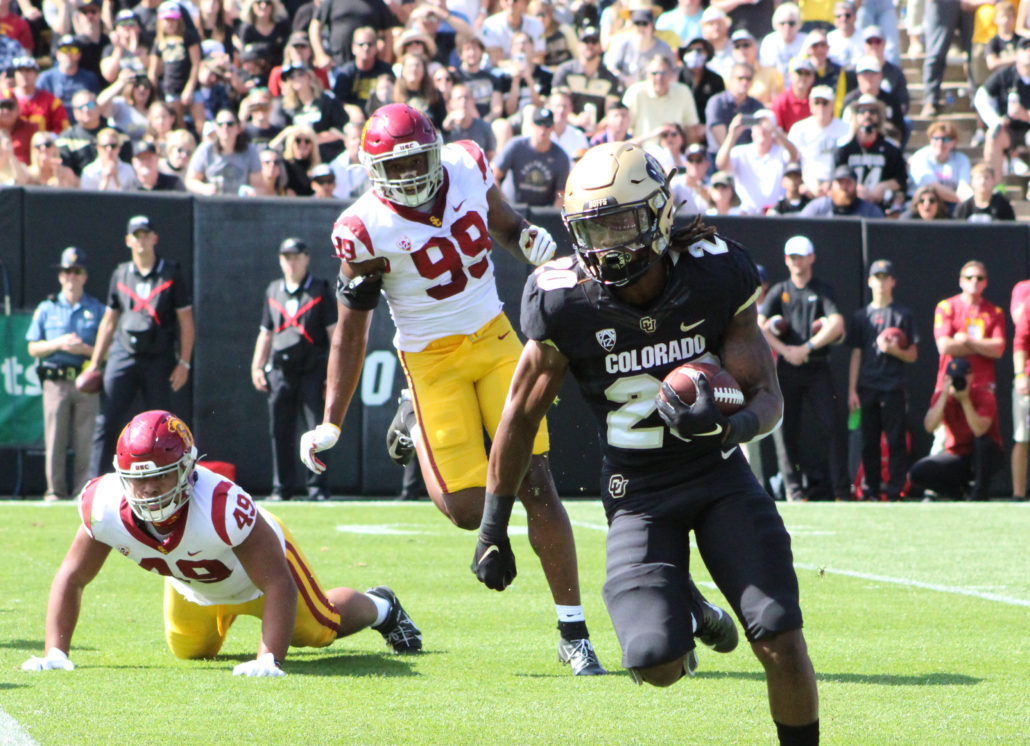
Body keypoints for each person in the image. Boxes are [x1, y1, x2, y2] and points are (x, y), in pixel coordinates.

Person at [473, 141, 819, 745]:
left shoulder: (714, 273)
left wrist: (730, 427)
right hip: (636, 494)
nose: (606, 243)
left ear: (659, 213)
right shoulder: (562, 298)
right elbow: (520, 415)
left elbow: (767, 395)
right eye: (592, 228)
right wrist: (492, 525)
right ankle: (685, 607)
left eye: (619, 223)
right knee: (654, 662)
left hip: (718, 478)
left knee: (779, 636)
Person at [300, 103, 605, 676]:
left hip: (494, 337)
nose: (413, 174)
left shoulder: (466, 162)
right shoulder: (362, 227)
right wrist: (332, 419)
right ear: (373, 169)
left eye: (420, 159)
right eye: (400, 165)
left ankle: (574, 632)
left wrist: (529, 242)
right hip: (430, 361)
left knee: (536, 481)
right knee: (470, 512)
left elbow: (505, 223)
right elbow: (352, 331)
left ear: (437, 150)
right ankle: (413, 421)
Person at [21, 410, 420, 676]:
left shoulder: (222, 508)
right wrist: (57, 651)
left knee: (319, 630)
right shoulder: (103, 505)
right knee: (191, 652)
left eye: (160, 476)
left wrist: (269, 657)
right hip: (193, 585)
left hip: (259, 576)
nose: (148, 490)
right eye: (138, 479)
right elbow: (72, 577)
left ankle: (383, 607)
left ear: (186, 469)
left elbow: (278, 582)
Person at [85, 215, 195, 479]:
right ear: (128, 240)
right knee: (107, 420)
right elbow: (109, 322)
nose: (141, 240)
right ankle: (94, 483)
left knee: (161, 426)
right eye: (136, 235)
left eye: (146, 234)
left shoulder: (171, 273)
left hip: (159, 358)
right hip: (123, 354)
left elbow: (186, 322)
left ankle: (167, 481)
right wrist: (95, 363)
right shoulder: (120, 273)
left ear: (155, 238)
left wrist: (184, 362)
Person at [759, 235, 850, 502]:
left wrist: (807, 347)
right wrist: (786, 350)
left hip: (817, 366)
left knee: (832, 428)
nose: (796, 262)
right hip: (788, 370)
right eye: (791, 257)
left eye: (801, 256)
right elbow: (760, 326)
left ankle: (842, 493)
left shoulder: (822, 290)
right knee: (786, 431)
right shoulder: (779, 291)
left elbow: (836, 324)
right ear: (786, 260)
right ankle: (794, 492)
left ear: (812, 258)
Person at [251, 238, 335, 501]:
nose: (291, 262)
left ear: (306, 258)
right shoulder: (274, 289)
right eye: (286, 256)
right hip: (280, 372)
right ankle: (282, 488)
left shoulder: (319, 289)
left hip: (312, 371)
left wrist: (332, 378)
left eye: (296, 256)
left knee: (316, 432)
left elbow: (335, 336)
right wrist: (257, 366)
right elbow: (266, 332)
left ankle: (317, 488)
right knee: (280, 431)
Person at [25, 248, 104, 502]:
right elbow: (32, 346)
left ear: (84, 275)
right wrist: (58, 343)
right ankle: (55, 491)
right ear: (61, 276)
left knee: (85, 441)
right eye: (67, 271)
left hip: (85, 381)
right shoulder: (47, 308)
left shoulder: (97, 309)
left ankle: (83, 492)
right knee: (55, 439)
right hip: (56, 381)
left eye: (77, 271)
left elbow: (109, 350)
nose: (72, 276)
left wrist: (85, 350)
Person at [846, 260, 919, 501]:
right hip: (867, 387)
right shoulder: (861, 317)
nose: (881, 281)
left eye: (886, 276)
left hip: (893, 387)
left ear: (893, 281)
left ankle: (896, 488)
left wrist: (892, 350)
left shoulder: (902, 315)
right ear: (869, 281)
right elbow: (856, 353)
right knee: (869, 442)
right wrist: (852, 390)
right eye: (877, 277)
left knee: (897, 440)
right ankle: (871, 489)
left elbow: (912, 355)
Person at [909, 359, 1004, 500]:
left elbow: (979, 431)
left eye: (962, 377)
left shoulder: (983, 396)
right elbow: (929, 426)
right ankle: (960, 494)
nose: (958, 381)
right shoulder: (942, 398)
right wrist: (944, 395)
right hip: (958, 455)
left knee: (982, 444)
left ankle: (979, 494)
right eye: (953, 378)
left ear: (971, 377)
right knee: (917, 472)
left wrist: (965, 401)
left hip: (986, 455)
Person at [933, 260, 1005, 396]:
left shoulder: (995, 312)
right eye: (969, 277)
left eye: (979, 278)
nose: (974, 281)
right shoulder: (946, 307)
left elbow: (998, 349)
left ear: (985, 283)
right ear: (961, 281)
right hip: (951, 382)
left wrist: (967, 340)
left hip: (983, 385)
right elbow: (944, 347)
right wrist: (984, 347)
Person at [715, 107, 800, 214]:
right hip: (746, 213)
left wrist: (776, 132)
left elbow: (794, 155)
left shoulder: (780, 152)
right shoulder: (741, 152)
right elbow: (721, 165)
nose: (761, 129)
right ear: (751, 130)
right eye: (757, 124)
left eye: (765, 126)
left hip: (775, 213)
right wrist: (732, 135)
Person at [833, 95, 907, 215]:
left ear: (879, 116)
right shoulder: (844, 147)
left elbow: (901, 180)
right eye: (862, 112)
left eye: (872, 111)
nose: (867, 115)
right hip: (851, 205)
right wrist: (855, 188)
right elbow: (836, 177)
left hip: (881, 207)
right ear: (855, 116)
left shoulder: (890, 148)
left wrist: (882, 187)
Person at [493, 106, 570, 207]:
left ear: (552, 127)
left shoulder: (561, 157)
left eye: (547, 125)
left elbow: (561, 195)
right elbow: (493, 176)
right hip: (512, 209)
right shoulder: (515, 146)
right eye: (539, 124)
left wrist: (551, 217)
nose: (543, 130)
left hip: (542, 213)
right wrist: (504, 205)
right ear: (532, 124)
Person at [623, 55, 702, 145]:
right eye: (654, 73)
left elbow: (690, 129)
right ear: (647, 75)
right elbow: (622, 129)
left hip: (673, 154)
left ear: (672, 74)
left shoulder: (683, 91)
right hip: (642, 153)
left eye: (663, 73)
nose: (659, 78)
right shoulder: (635, 92)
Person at [907, 121, 971, 206]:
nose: (940, 143)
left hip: (951, 202)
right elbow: (932, 187)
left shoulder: (961, 159)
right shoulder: (921, 156)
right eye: (936, 138)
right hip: (921, 203)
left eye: (945, 139)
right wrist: (961, 199)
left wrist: (968, 201)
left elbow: (964, 186)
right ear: (930, 140)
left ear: (954, 142)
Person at [800, 164, 885, 217]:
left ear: (856, 185)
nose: (844, 187)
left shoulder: (870, 211)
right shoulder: (819, 208)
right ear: (832, 186)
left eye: (848, 183)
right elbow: (800, 226)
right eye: (840, 183)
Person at [1010, 278, 1030, 499]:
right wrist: (1020, 375)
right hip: (1028, 379)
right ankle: (1018, 493)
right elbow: (1020, 342)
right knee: (1022, 437)